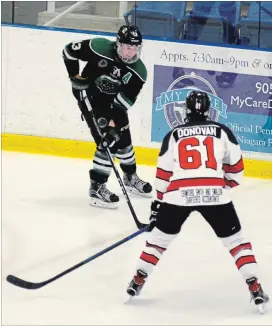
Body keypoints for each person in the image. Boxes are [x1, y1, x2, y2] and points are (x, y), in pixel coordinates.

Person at [127, 91, 269, 313]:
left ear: (186, 110)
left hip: (178, 195)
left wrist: (158, 206)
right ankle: (254, 284)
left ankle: (138, 278)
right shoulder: (223, 132)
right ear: (209, 110)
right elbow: (237, 170)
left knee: (158, 242)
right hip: (215, 195)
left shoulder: (173, 134)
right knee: (237, 242)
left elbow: (163, 176)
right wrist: (223, 185)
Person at [62, 25, 152, 208]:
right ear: (118, 44)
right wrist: (74, 76)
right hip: (90, 99)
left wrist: (113, 121)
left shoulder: (139, 72)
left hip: (113, 104)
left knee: (124, 141)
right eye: (128, 46)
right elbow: (68, 51)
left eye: (135, 47)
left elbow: (122, 104)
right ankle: (97, 187)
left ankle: (130, 177)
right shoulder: (99, 48)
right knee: (108, 141)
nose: (131, 52)